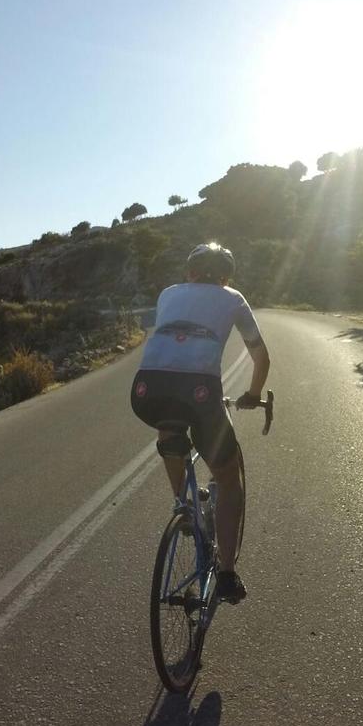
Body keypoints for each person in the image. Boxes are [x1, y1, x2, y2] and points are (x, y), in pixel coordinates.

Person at [130, 242, 270, 604]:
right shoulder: (232, 297)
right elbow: (260, 356)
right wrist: (253, 395)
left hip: (146, 389)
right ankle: (226, 573)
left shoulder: (169, 293)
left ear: (189, 273)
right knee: (228, 478)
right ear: (225, 277)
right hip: (201, 393)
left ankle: (184, 506)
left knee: (169, 425)